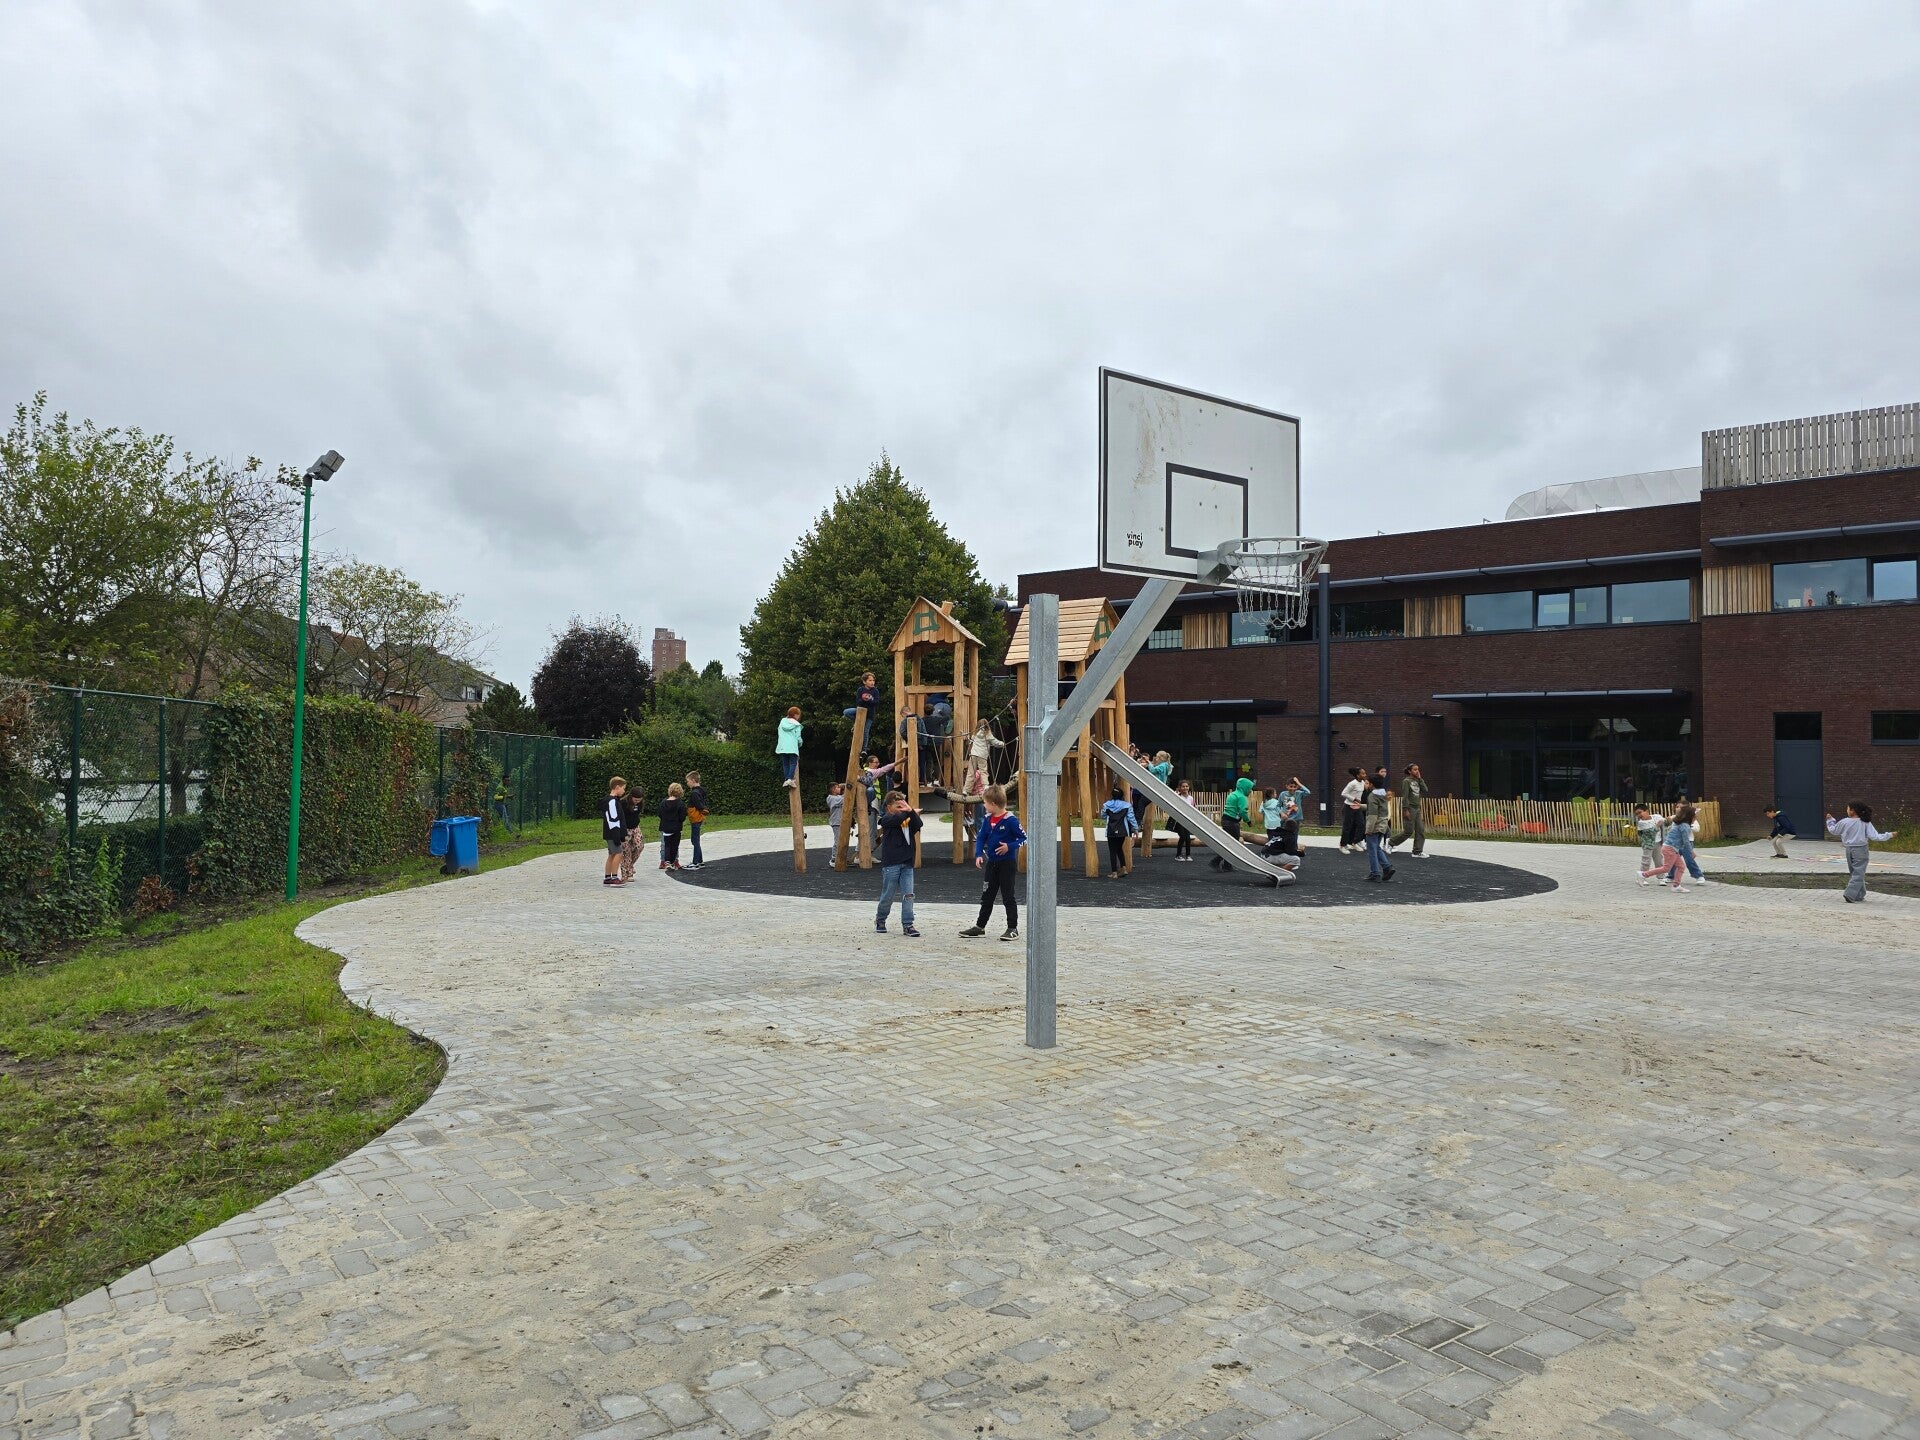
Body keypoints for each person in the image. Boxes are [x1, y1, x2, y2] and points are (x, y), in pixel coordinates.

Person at [959, 784, 1025, 940]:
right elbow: (981, 837)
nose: (984, 805)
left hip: (1007, 864)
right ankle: (980, 926)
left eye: (985, 803)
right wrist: (978, 854)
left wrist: (1009, 846)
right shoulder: (988, 819)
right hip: (992, 864)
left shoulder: (1011, 821)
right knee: (987, 896)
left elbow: (1023, 838)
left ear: (993, 804)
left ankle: (1012, 928)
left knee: (1008, 896)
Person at [1826, 802, 1897, 903]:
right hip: (1861, 850)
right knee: (1858, 873)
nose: (1847, 811)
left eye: (1847, 809)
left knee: (1855, 872)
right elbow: (1875, 836)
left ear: (1852, 811)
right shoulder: (1865, 822)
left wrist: (1830, 820)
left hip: (1848, 849)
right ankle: (1850, 894)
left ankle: (1859, 895)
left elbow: (1833, 830)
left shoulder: (1844, 822)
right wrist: (1889, 835)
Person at [875, 793, 923, 936]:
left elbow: (919, 824)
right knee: (888, 894)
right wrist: (909, 811)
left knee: (908, 895)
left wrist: (911, 812)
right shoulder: (886, 819)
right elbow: (896, 820)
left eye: (903, 805)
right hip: (892, 863)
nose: (902, 809)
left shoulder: (907, 817)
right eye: (898, 806)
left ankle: (908, 924)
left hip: (907, 862)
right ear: (889, 807)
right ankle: (880, 919)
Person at [1641, 803, 1697, 891]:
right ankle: (1643, 874)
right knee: (1666, 868)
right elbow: (1686, 841)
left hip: (1670, 848)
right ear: (1690, 817)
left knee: (1681, 866)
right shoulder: (1685, 826)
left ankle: (1676, 886)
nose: (1695, 818)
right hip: (1670, 849)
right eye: (1695, 817)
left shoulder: (1681, 824)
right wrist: (1691, 852)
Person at [1215, 777, 1255, 870]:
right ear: (1245, 788)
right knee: (1233, 844)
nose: (1250, 791)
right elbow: (1243, 811)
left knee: (1228, 842)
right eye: (1249, 788)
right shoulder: (1242, 797)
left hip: (1225, 819)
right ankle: (1216, 861)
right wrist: (1248, 821)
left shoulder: (1232, 794)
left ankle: (1227, 865)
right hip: (1232, 822)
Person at [1101, 782, 1139, 878]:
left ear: (1112, 795)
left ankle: (1114, 872)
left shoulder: (1106, 805)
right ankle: (1123, 868)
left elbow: (1103, 815)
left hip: (1111, 830)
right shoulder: (1127, 805)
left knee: (1112, 850)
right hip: (1122, 830)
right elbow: (1131, 818)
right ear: (1122, 796)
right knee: (1119, 848)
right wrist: (1135, 829)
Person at [960, 721, 1007, 799]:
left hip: (973, 755)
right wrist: (1002, 744)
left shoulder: (975, 734)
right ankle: (985, 786)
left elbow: (970, 739)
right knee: (983, 771)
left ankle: (966, 790)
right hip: (982, 755)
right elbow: (995, 742)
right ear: (987, 725)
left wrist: (965, 735)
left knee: (971, 773)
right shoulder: (987, 734)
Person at [1391, 764, 1429, 857]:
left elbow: (1425, 790)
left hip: (1417, 808)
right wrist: (1405, 810)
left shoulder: (1418, 780)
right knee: (1408, 831)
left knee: (1420, 830)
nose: (1417, 771)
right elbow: (1405, 796)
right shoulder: (1406, 781)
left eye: (1418, 769)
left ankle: (1417, 851)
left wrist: (1420, 779)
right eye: (1415, 769)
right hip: (1410, 808)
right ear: (1409, 771)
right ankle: (1391, 843)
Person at [1363, 776, 1395, 881]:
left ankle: (1375, 873)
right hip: (1383, 825)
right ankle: (1387, 867)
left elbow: (1373, 814)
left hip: (1375, 826)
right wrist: (1361, 806)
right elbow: (1378, 808)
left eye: (1368, 783)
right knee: (1376, 847)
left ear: (1371, 784)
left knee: (1371, 850)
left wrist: (1369, 830)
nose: (1367, 785)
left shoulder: (1372, 796)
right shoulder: (1383, 794)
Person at [600, 777, 628, 886]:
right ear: (617, 787)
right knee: (618, 853)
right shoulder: (612, 801)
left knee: (612, 854)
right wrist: (617, 835)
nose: (624, 791)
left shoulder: (611, 800)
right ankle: (614, 877)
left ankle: (608, 877)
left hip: (610, 832)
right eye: (623, 788)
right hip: (613, 832)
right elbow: (613, 819)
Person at [842, 672, 880, 752]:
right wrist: (864, 699)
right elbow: (858, 702)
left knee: (865, 732)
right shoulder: (861, 690)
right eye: (870, 680)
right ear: (864, 682)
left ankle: (864, 750)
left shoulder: (875, 691)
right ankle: (857, 722)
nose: (872, 682)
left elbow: (876, 703)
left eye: (873, 680)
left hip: (869, 715)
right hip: (860, 711)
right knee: (846, 712)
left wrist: (869, 700)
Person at [618, 783, 648, 882]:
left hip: (635, 827)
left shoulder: (640, 803)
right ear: (631, 796)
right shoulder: (623, 803)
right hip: (624, 829)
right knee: (626, 851)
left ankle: (630, 865)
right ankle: (625, 874)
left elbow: (637, 813)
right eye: (635, 800)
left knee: (639, 846)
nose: (637, 802)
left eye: (639, 800)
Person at [1632, 804, 1667, 887]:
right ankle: (1641, 877)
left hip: (1658, 842)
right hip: (1647, 844)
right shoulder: (1641, 823)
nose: (1639, 815)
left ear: (1647, 811)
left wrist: (1669, 819)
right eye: (1637, 814)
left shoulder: (1657, 817)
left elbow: (1665, 823)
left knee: (1659, 860)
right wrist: (1657, 825)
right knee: (1646, 861)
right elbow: (1651, 833)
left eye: (1640, 812)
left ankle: (1661, 878)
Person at [658, 782, 687, 871]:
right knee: (674, 846)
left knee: (666, 845)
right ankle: (673, 861)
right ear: (680, 792)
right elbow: (682, 817)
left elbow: (660, 814)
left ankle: (666, 861)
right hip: (676, 828)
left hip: (665, 827)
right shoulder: (680, 803)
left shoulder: (663, 802)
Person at [685, 770, 709, 870]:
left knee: (695, 840)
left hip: (695, 818)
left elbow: (699, 805)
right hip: (699, 818)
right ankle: (700, 861)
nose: (687, 783)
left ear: (693, 780)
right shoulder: (701, 791)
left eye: (688, 781)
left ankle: (696, 862)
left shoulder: (695, 793)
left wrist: (702, 809)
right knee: (695, 840)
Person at [1339, 768, 1367, 853]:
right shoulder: (1352, 783)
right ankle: (1342, 845)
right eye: (1363, 774)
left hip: (1357, 807)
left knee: (1361, 825)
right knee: (1347, 827)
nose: (1365, 775)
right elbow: (1343, 793)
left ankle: (1354, 842)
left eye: (1365, 773)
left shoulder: (1362, 782)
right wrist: (1354, 799)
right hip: (1348, 807)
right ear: (1358, 775)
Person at [1170, 779, 1197, 861]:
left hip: (1187, 820)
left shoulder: (1191, 798)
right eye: (1183, 786)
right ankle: (1178, 855)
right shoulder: (1177, 796)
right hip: (1179, 820)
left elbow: (1193, 808)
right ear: (1180, 788)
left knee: (1188, 838)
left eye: (1186, 786)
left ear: (1189, 787)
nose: (1185, 788)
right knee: (1182, 836)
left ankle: (1188, 855)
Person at [776, 707, 803, 788]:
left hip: (782, 747)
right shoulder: (797, 724)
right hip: (792, 747)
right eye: (798, 714)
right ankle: (790, 779)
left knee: (785, 764)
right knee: (793, 763)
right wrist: (800, 744)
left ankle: (786, 779)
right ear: (795, 715)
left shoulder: (782, 721)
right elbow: (798, 738)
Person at [825, 782, 846, 853]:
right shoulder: (831, 798)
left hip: (840, 821)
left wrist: (843, 785)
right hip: (836, 822)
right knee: (838, 841)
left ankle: (841, 856)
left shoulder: (838, 797)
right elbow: (846, 797)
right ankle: (834, 857)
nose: (840, 788)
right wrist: (846, 786)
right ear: (833, 790)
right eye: (838, 787)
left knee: (842, 840)